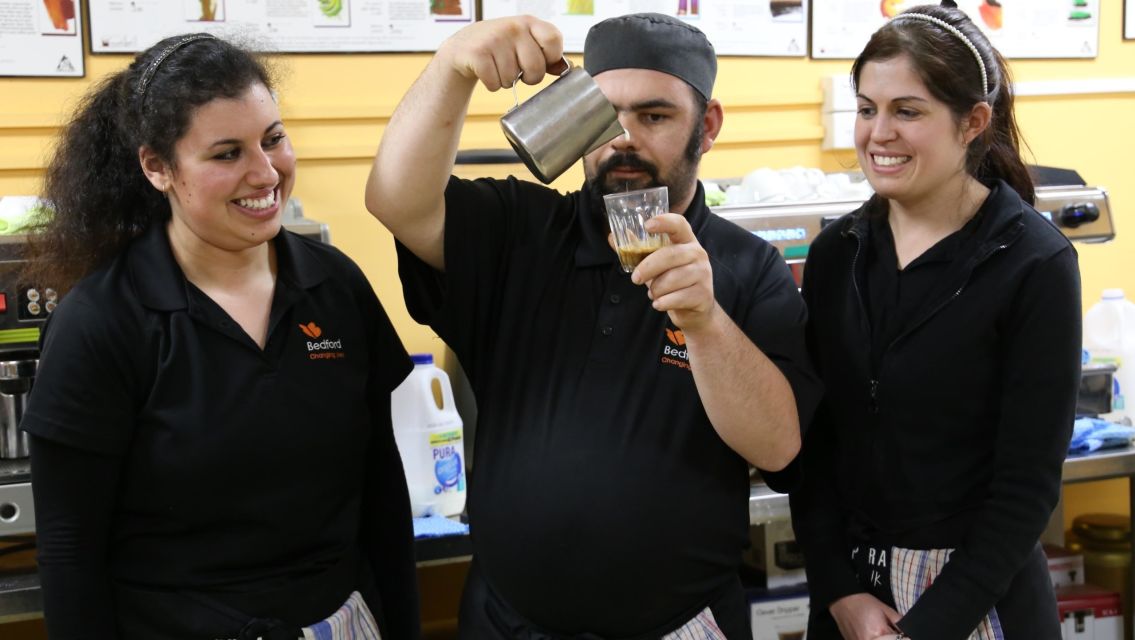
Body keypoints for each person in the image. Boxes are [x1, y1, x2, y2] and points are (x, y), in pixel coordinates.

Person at [366, 12, 821, 640]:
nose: (623, 138)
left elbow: (779, 449)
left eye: (655, 117)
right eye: (605, 115)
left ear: (706, 127)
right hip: (506, 622)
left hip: (680, 624)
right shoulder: (518, 231)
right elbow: (395, 198)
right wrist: (451, 68)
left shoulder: (747, 268)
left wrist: (705, 322)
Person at [21, 33, 420, 639]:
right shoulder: (104, 321)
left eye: (274, 138)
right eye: (227, 153)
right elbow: (70, 548)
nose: (265, 173)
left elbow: (382, 494)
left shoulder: (335, 287)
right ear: (157, 167)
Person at [789, 3, 1081, 639]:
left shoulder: (1034, 262)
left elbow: (1026, 491)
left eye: (908, 111)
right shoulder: (837, 253)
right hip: (853, 606)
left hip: (978, 601)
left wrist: (927, 628)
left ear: (973, 121)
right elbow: (814, 447)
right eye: (867, 108)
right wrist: (840, 592)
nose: (878, 133)